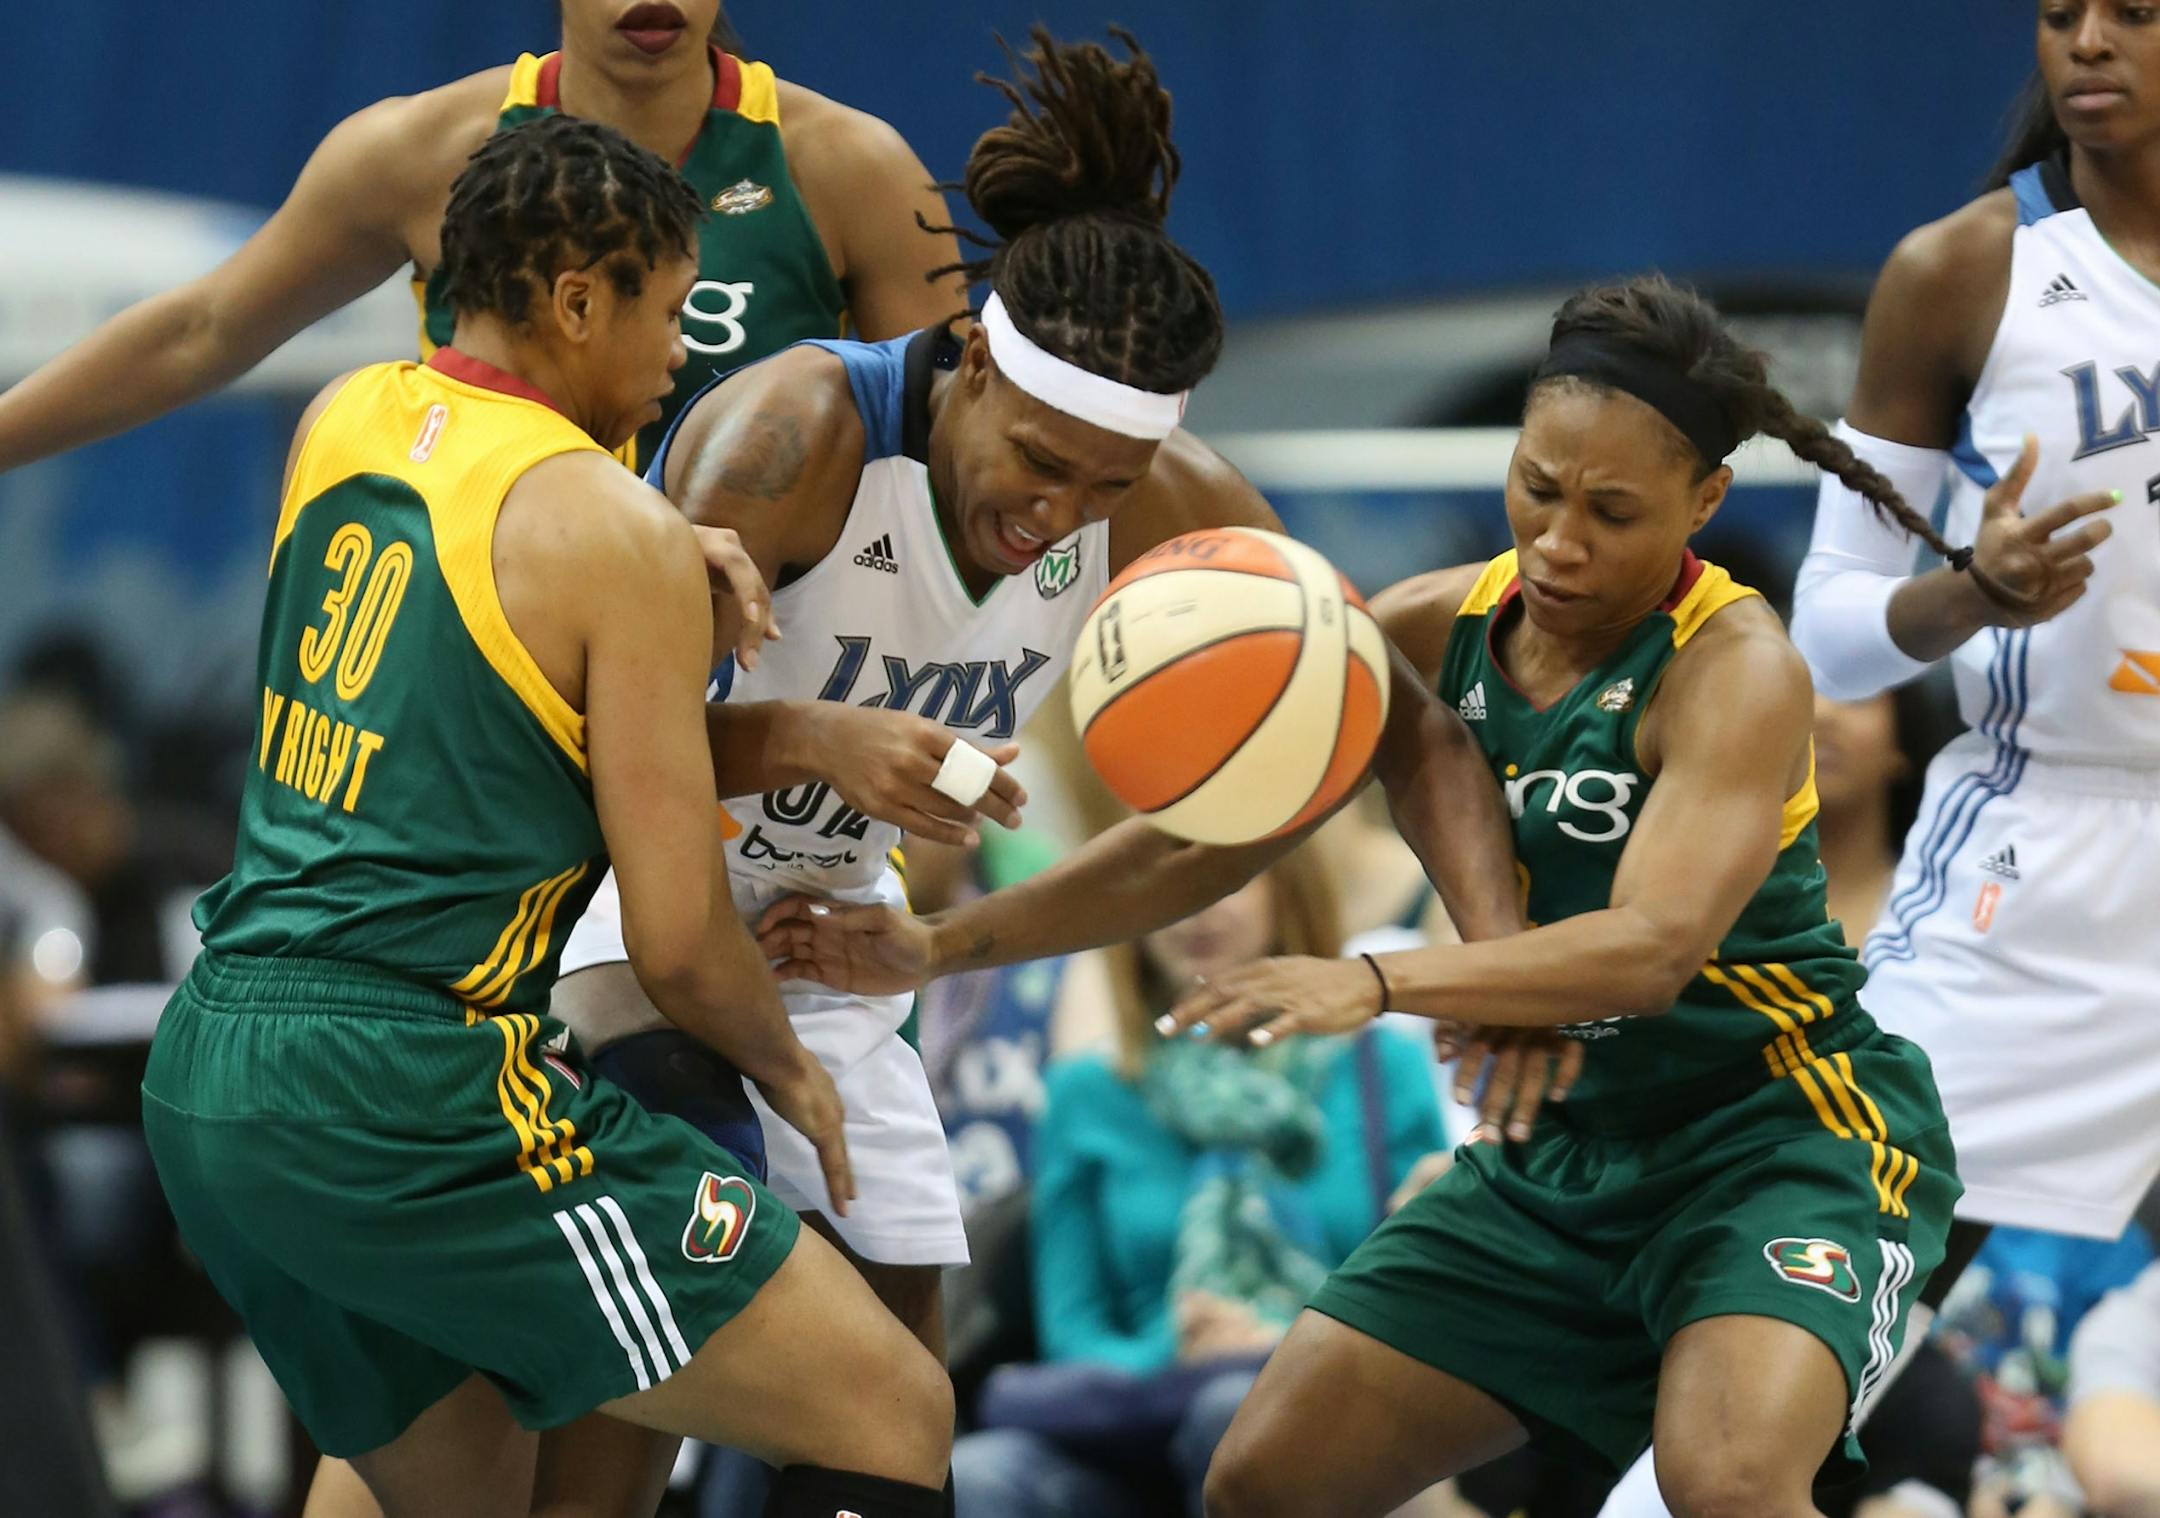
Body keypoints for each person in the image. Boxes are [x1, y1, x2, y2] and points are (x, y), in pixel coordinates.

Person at [552, 23, 1530, 1390]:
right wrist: (811, 735)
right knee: (646, 1382)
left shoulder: (1173, 503)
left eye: (1106, 490)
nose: (1057, 519)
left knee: (897, 1423)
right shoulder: (787, 442)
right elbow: (575, 745)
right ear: (969, 353)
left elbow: (1404, 729)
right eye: (1040, 461)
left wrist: (1507, 985)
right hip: (616, 914)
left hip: (830, 943)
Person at [137, 116, 952, 1518]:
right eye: (668, 309)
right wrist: (796, 1073)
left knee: (471, 1488)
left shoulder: (348, 418)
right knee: (893, 1406)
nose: (681, 357)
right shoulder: (609, 530)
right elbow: (682, 939)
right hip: (415, 1087)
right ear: (577, 298)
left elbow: (481, 603)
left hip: (215, 1073)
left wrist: (659, 549)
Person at [1118, 276, 1965, 1518]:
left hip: (1782, 1134)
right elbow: (1192, 845)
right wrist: (942, 940)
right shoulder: (1425, 626)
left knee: (1727, 1483)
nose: (1561, 539)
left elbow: (1649, 950)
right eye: (1538, 488)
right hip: (1567, 1150)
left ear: (1704, 502)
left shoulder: (1737, 668)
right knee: (1265, 1481)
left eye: (1613, 512)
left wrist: (1371, 981)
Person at [0, 0, 962, 475]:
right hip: (500, 701)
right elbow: (202, 329)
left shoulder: (848, 171)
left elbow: (957, 454)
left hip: (765, 692)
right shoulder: (417, 154)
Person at [951, 850, 1447, 1518]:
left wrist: (1283, 1349)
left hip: (1332, 1414)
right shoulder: (1084, 1091)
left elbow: (1424, 1304)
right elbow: (1073, 1332)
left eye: (1228, 879)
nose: (1196, 909)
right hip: (1133, 1423)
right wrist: (1181, 1349)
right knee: (978, 1476)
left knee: (1240, 1416)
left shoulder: (1380, 1066)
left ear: (1287, 885)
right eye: (1167, 884)